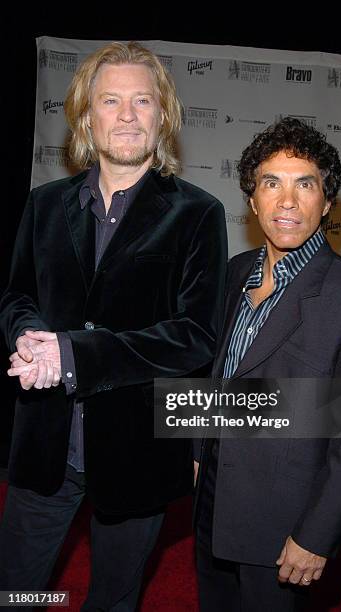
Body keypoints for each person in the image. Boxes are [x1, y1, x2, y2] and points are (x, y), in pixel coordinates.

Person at [0, 41, 227, 610]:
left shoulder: (197, 213)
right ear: (85, 116)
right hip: (45, 447)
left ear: (163, 116)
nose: (127, 114)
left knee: (112, 600)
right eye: (110, 100)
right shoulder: (44, 204)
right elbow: (17, 295)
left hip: (137, 453)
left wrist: (73, 355)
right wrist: (26, 334)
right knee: (19, 594)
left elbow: (196, 336)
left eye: (142, 100)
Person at [194, 117, 341, 611]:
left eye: (304, 184)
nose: (286, 201)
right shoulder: (233, 272)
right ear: (252, 199)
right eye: (271, 183)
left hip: (284, 523)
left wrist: (317, 535)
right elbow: (219, 372)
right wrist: (198, 450)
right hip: (212, 504)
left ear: (327, 202)